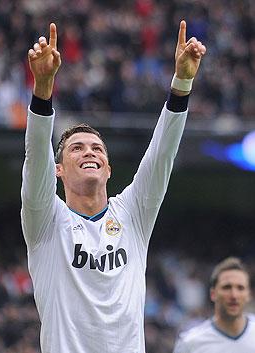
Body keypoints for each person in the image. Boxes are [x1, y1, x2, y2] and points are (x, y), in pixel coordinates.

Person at [21, 20, 206, 353]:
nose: (89, 151)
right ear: (59, 170)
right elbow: (35, 160)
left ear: (107, 168)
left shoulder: (133, 214)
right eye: (77, 148)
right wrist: (43, 89)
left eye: (97, 149)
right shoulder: (45, 221)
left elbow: (161, 155)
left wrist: (182, 82)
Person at [173, 257, 255, 353]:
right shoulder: (190, 343)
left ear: (249, 295)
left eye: (240, 288)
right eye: (226, 287)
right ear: (213, 294)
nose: (234, 295)